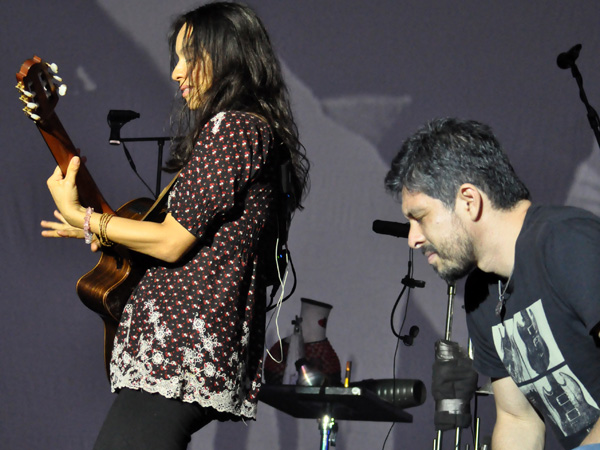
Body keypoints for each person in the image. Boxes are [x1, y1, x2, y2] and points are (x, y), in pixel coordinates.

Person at [41, 2, 309, 449]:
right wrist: (97, 230)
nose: (176, 72)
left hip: (180, 353)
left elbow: (170, 243)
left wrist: (86, 218)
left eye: (189, 57)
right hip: (183, 354)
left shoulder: (235, 128)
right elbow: (199, 240)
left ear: (225, 58)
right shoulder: (250, 131)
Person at [384, 117, 600, 450]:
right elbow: (519, 421)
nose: (412, 238)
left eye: (420, 217)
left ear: (469, 200)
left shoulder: (568, 241)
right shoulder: (482, 295)